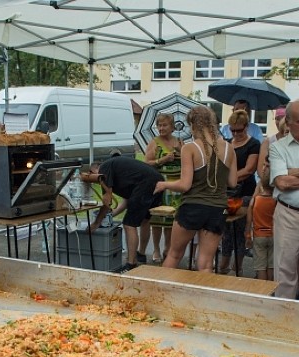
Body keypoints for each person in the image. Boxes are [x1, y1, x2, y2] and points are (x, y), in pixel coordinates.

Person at [155, 106, 237, 272]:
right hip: (217, 209)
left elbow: (184, 185)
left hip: (193, 207)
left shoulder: (190, 148)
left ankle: (160, 295)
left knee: (174, 255)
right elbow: (232, 182)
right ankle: (202, 297)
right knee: (206, 263)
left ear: (193, 125)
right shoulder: (229, 148)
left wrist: (164, 184)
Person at [269, 99, 299, 300]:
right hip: (288, 213)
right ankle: (283, 317)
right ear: (288, 123)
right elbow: (282, 183)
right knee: (284, 269)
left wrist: (296, 171)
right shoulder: (278, 147)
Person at [80, 156, 163, 271]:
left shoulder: (104, 169)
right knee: (144, 220)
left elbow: (107, 200)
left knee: (129, 225)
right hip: (158, 181)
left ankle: (131, 264)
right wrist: (111, 215)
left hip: (146, 183)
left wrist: (97, 222)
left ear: (93, 171)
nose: (94, 183)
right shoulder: (120, 171)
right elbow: (127, 201)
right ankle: (141, 255)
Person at [218, 110, 260, 275]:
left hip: (245, 193)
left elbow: (249, 170)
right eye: (232, 130)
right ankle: (224, 264)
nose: (235, 134)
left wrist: (229, 178)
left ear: (247, 127)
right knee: (226, 230)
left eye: (239, 130)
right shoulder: (227, 143)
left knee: (240, 230)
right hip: (227, 193)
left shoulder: (254, 144)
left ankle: (238, 266)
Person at [144, 113, 183, 264]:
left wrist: (180, 151)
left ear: (173, 127)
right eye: (159, 125)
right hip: (161, 185)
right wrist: (163, 159)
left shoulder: (179, 141)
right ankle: (156, 249)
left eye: (164, 125)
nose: (161, 128)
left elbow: (188, 160)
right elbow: (146, 163)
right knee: (158, 219)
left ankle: (168, 248)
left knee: (171, 220)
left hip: (176, 186)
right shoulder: (154, 142)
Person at [244, 182, 276, 280]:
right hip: (273, 235)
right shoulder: (275, 200)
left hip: (259, 235)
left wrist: (248, 235)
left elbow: (249, 220)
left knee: (260, 266)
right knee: (271, 265)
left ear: (261, 187)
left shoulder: (255, 201)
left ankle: (262, 289)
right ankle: (271, 289)